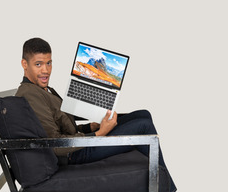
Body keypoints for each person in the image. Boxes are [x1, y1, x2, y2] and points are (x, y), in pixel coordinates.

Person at [15, 37, 177, 192]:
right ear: (24, 64)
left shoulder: (43, 89)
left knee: (143, 114)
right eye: (38, 64)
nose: (46, 70)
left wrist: (90, 126)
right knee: (144, 126)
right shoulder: (30, 94)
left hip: (78, 142)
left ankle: (157, 181)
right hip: (74, 154)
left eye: (49, 63)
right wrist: (99, 133)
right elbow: (56, 144)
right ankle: (168, 188)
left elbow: (61, 126)